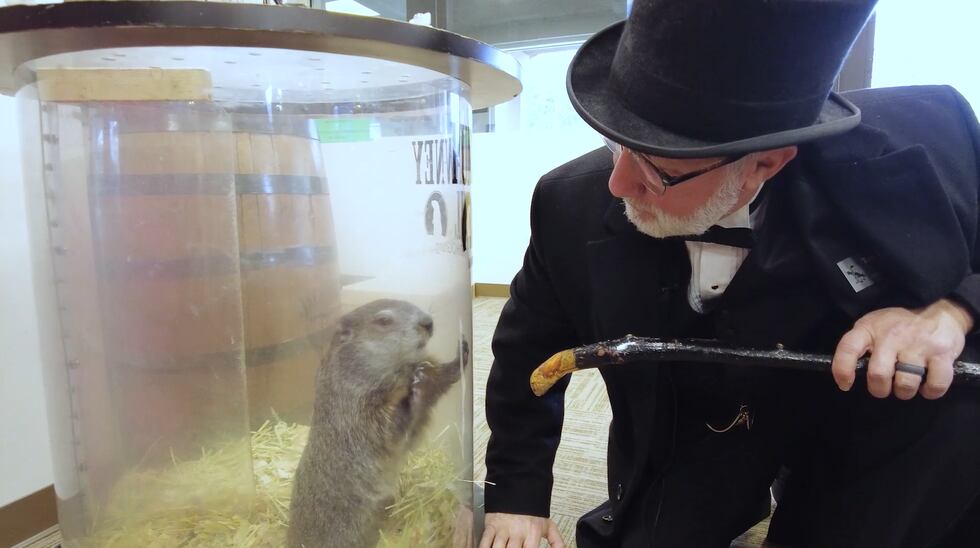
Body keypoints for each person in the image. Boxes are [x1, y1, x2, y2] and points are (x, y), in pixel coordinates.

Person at [479, 0, 980, 546]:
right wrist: (515, 494)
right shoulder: (568, 201)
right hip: (686, 420)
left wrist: (952, 311)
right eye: (616, 141)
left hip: (854, 412)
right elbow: (528, 349)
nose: (617, 183)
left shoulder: (931, 140)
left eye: (657, 168)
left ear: (766, 162)